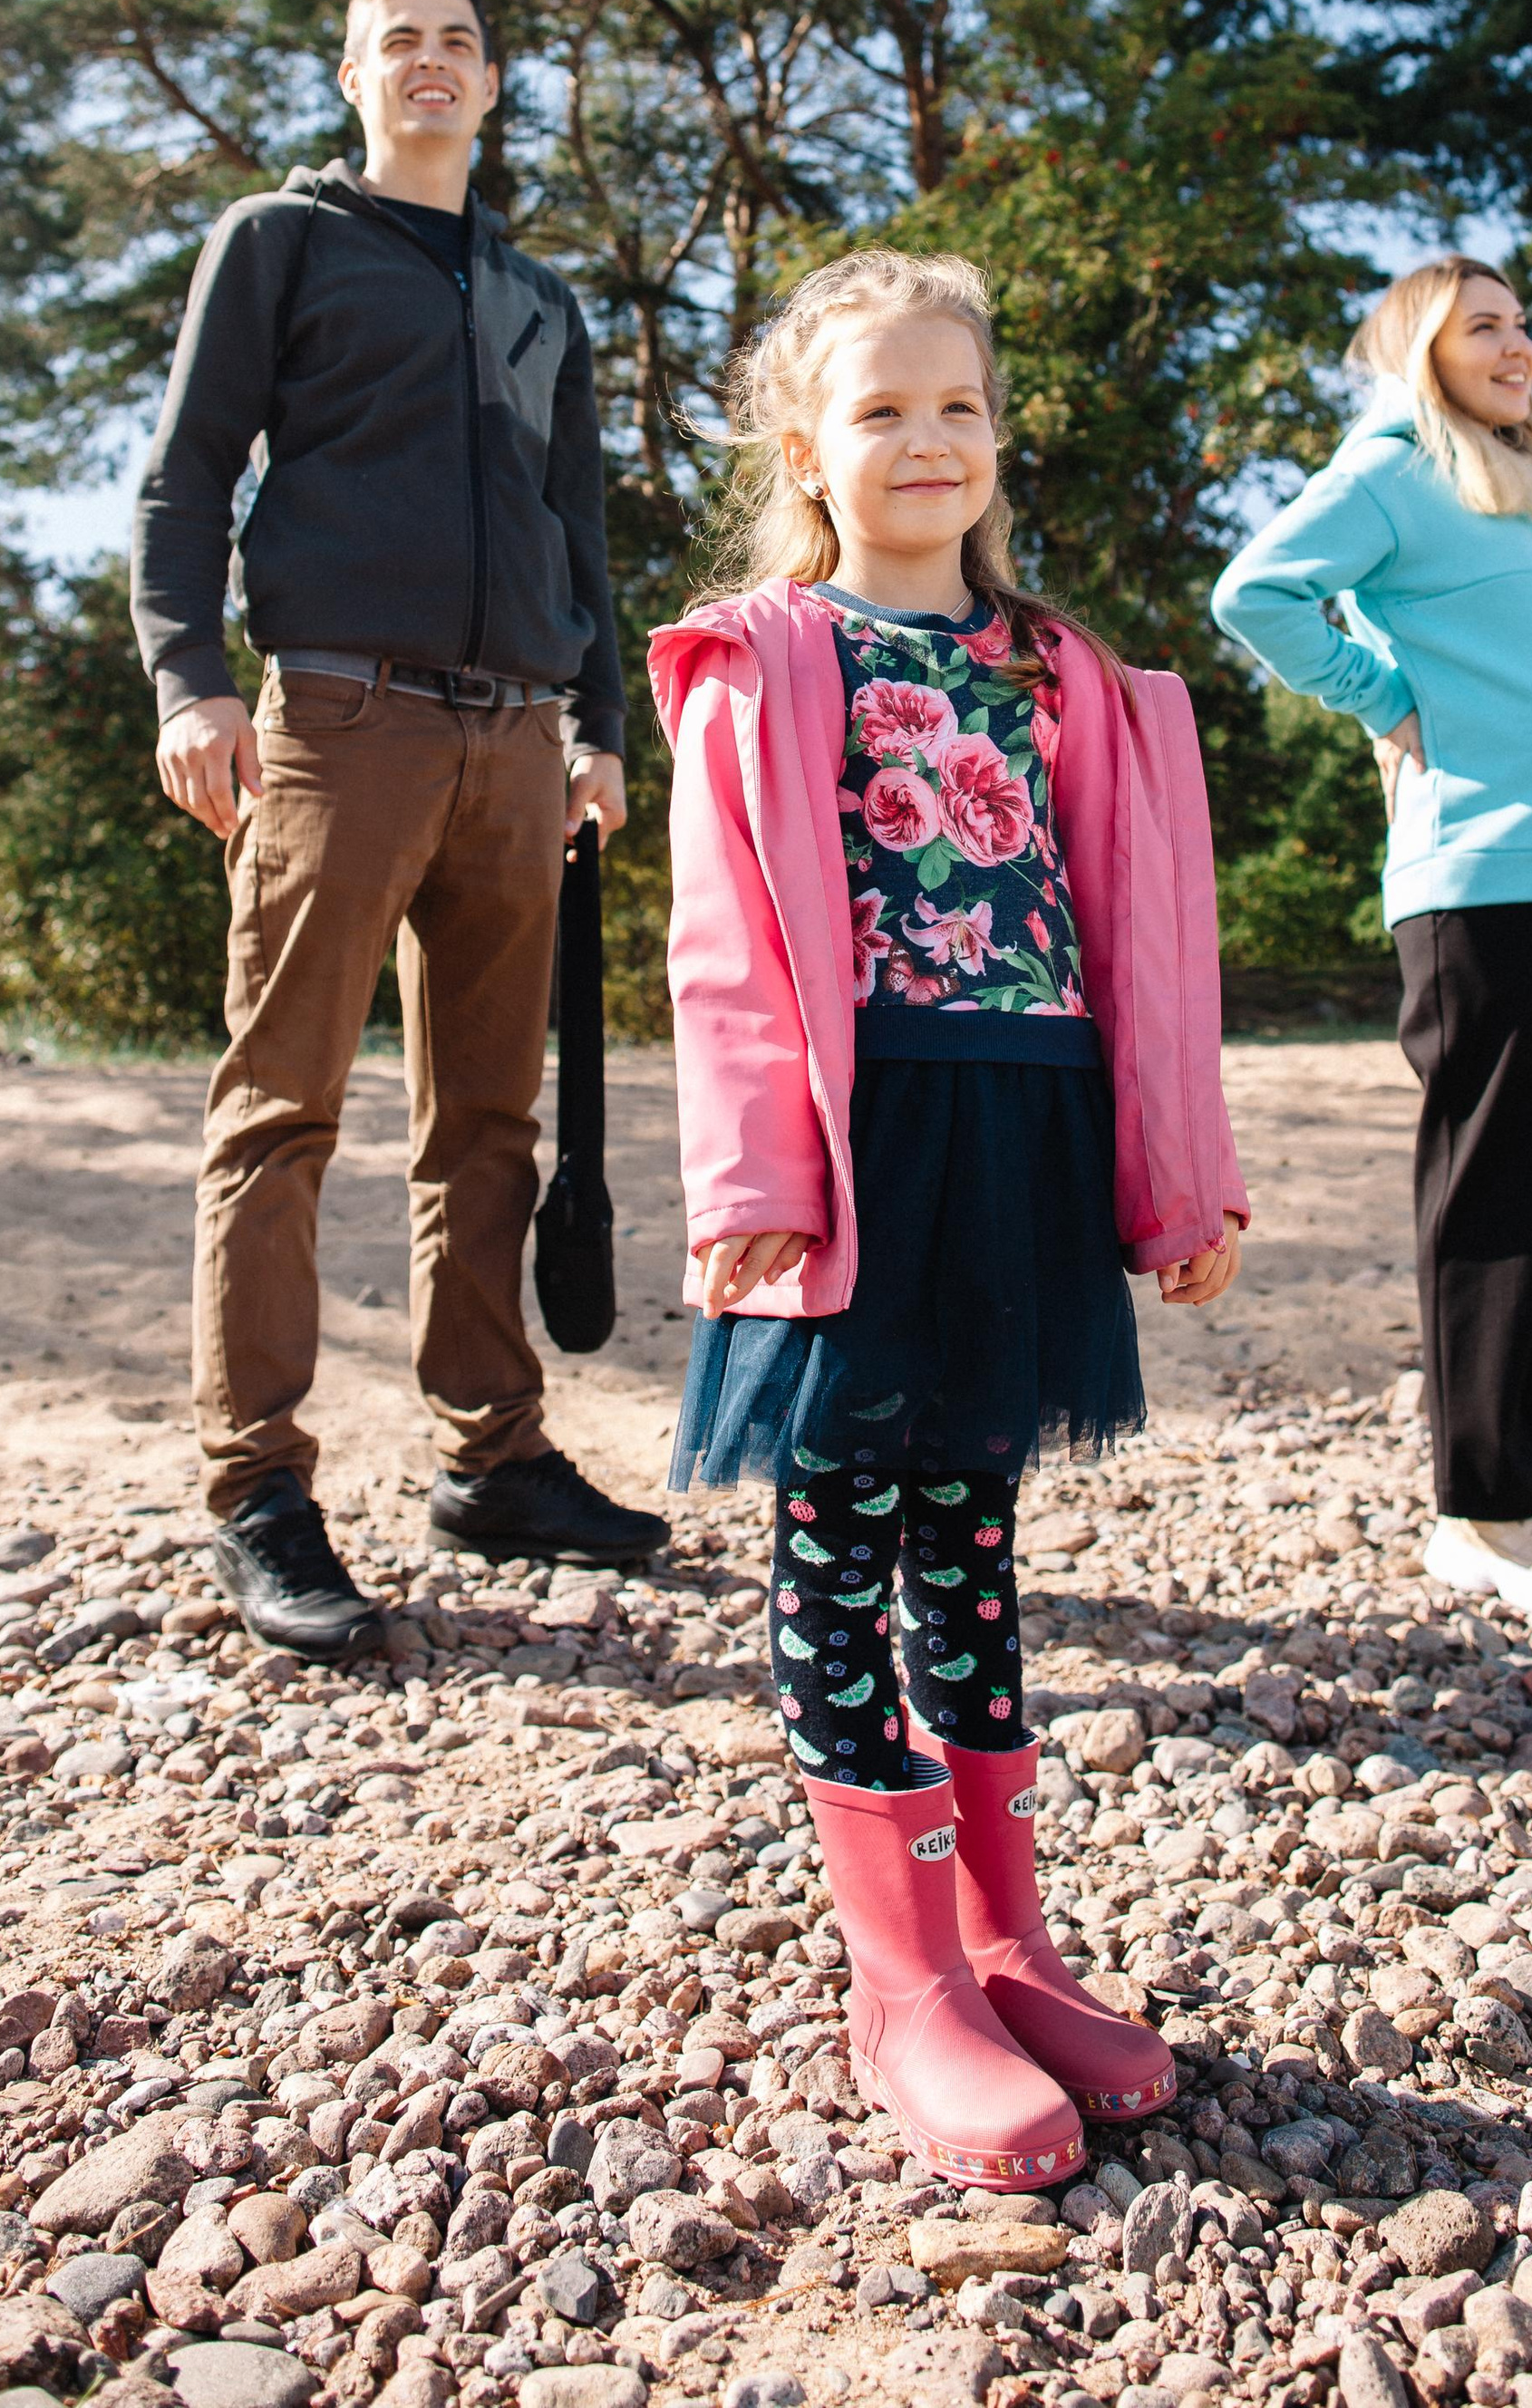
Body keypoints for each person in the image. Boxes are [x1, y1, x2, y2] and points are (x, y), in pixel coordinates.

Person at [650, 249, 1248, 2193]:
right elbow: (726, 949)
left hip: (1023, 1121)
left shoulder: (1060, 670)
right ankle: (896, 1978)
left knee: (973, 1530)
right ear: (806, 448)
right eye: (881, 410)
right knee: (843, 1522)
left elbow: (1145, 943)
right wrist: (750, 1184)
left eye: (957, 408)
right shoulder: (764, 658)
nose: (924, 441)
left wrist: (1177, 1181)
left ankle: (1005, 1940)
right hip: (855, 1130)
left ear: (998, 440)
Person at [131, 0, 667, 1661]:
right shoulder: (279, 243)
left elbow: (578, 530)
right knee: (280, 1106)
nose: (430, 65)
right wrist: (188, 680)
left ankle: (492, 1459)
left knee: (487, 1125)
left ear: (495, 83)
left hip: (519, 747)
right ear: (354, 77)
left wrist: (599, 728)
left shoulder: (539, 302)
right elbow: (187, 471)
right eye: (398, 45)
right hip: (338, 720)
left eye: (459, 44)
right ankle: (259, 1488)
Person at [1211, 256, 1532, 1627]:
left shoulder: (1526, 491)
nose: (1520, 343)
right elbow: (1258, 592)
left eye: (1524, 324)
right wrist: (1388, 704)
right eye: (1486, 326)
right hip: (1488, 869)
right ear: (1423, 351)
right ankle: (1481, 1506)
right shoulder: (1392, 466)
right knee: (1498, 1175)